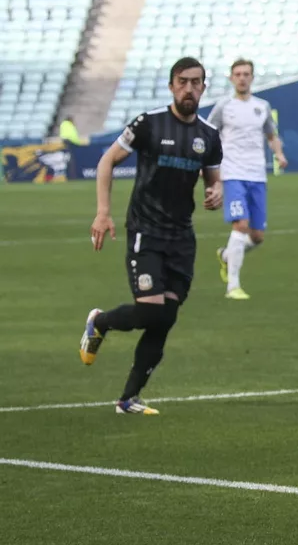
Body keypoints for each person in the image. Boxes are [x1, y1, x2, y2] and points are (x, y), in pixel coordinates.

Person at [78, 57, 223, 415]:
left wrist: (216, 192)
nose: (189, 88)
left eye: (196, 82)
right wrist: (102, 212)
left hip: (181, 238)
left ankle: (128, 399)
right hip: (146, 231)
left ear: (204, 88)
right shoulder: (149, 123)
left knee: (165, 318)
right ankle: (99, 322)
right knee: (149, 312)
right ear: (171, 86)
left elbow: (213, 179)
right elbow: (107, 161)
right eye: (182, 81)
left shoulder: (209, 135)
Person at [206, 59, 286, 300]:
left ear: (252, 77)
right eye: (238, 74)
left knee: (257, 236)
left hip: (257, 175)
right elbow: (208, 134)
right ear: (232, 78)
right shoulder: (224, 106)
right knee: (240, 225)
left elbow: (271, 135)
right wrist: (208, 167)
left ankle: (226, 255)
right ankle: (233, 286)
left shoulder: (262, 106)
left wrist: (279, 154)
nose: (242, 78)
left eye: (246, 74)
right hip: (232, 174)